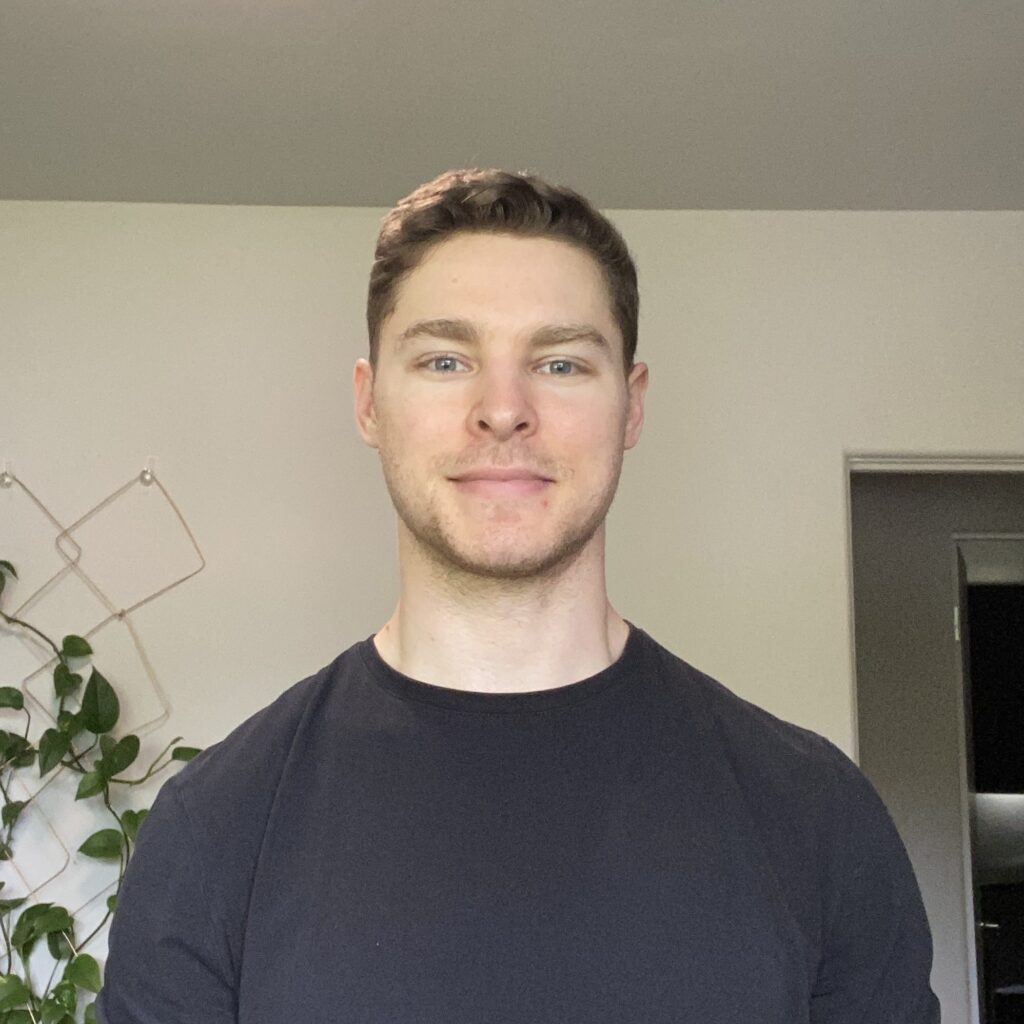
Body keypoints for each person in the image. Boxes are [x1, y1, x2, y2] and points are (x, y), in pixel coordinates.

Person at [97, 168, 941, 1023]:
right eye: (445, 360)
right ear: (369, 403)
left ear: (631, 407)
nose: (503, 410)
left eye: (561, 362)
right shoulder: (214, 831)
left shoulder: (817, 816)